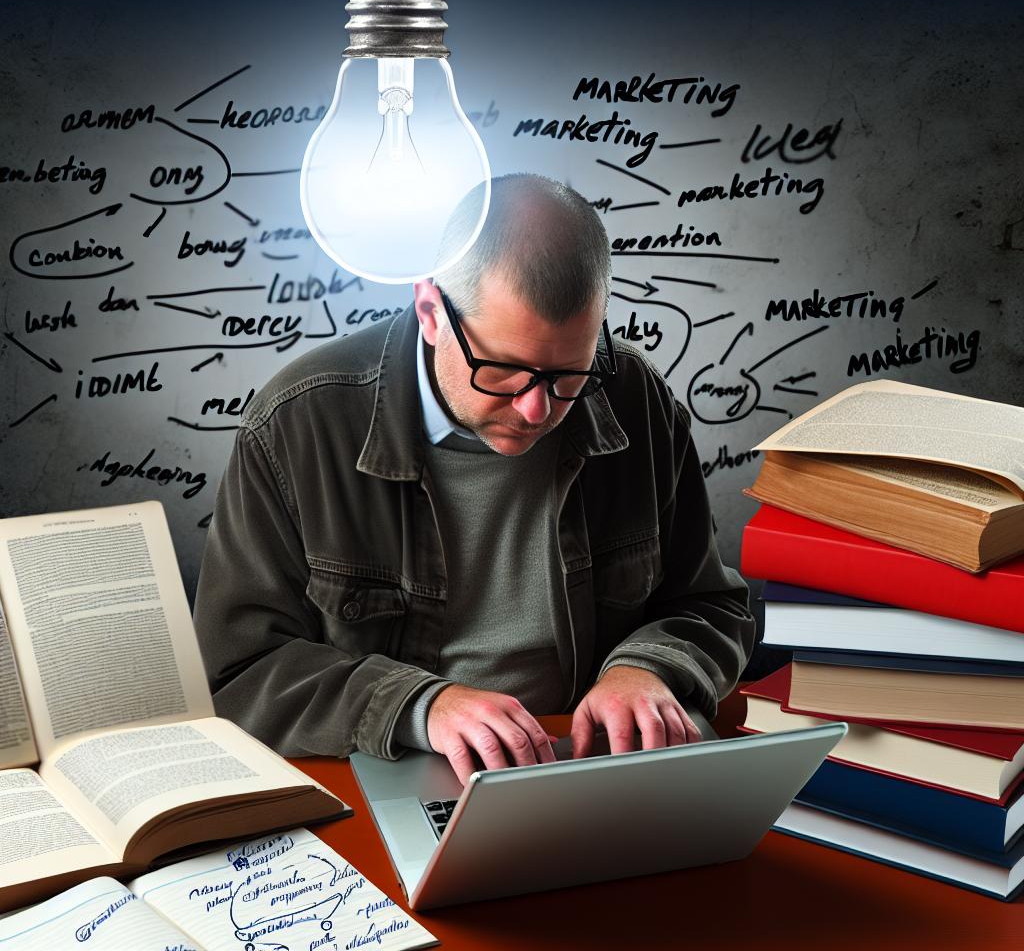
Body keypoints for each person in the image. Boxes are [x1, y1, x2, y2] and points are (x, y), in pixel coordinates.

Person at [193, 173, 755, 784]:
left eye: (570, 373)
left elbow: (711, 604)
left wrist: (648, 669)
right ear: (431, 310)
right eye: (506, 370)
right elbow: (240, 673)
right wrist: (418, 705)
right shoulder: (295, 424)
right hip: (393, 769)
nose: (537, 410)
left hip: (593, 767)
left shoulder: (633, 394)